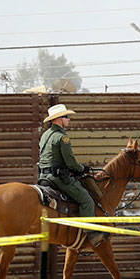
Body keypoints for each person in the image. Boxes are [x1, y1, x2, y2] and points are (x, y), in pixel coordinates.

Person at [37, 103, 105, 245]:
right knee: (86, 199)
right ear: (58, 119)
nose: (69, 119)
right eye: (66, 117)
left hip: (43, 177)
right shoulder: (62, 137)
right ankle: (91, 234)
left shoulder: (45, 135)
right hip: (57, 178)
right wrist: (83, 169)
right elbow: (70, 163)